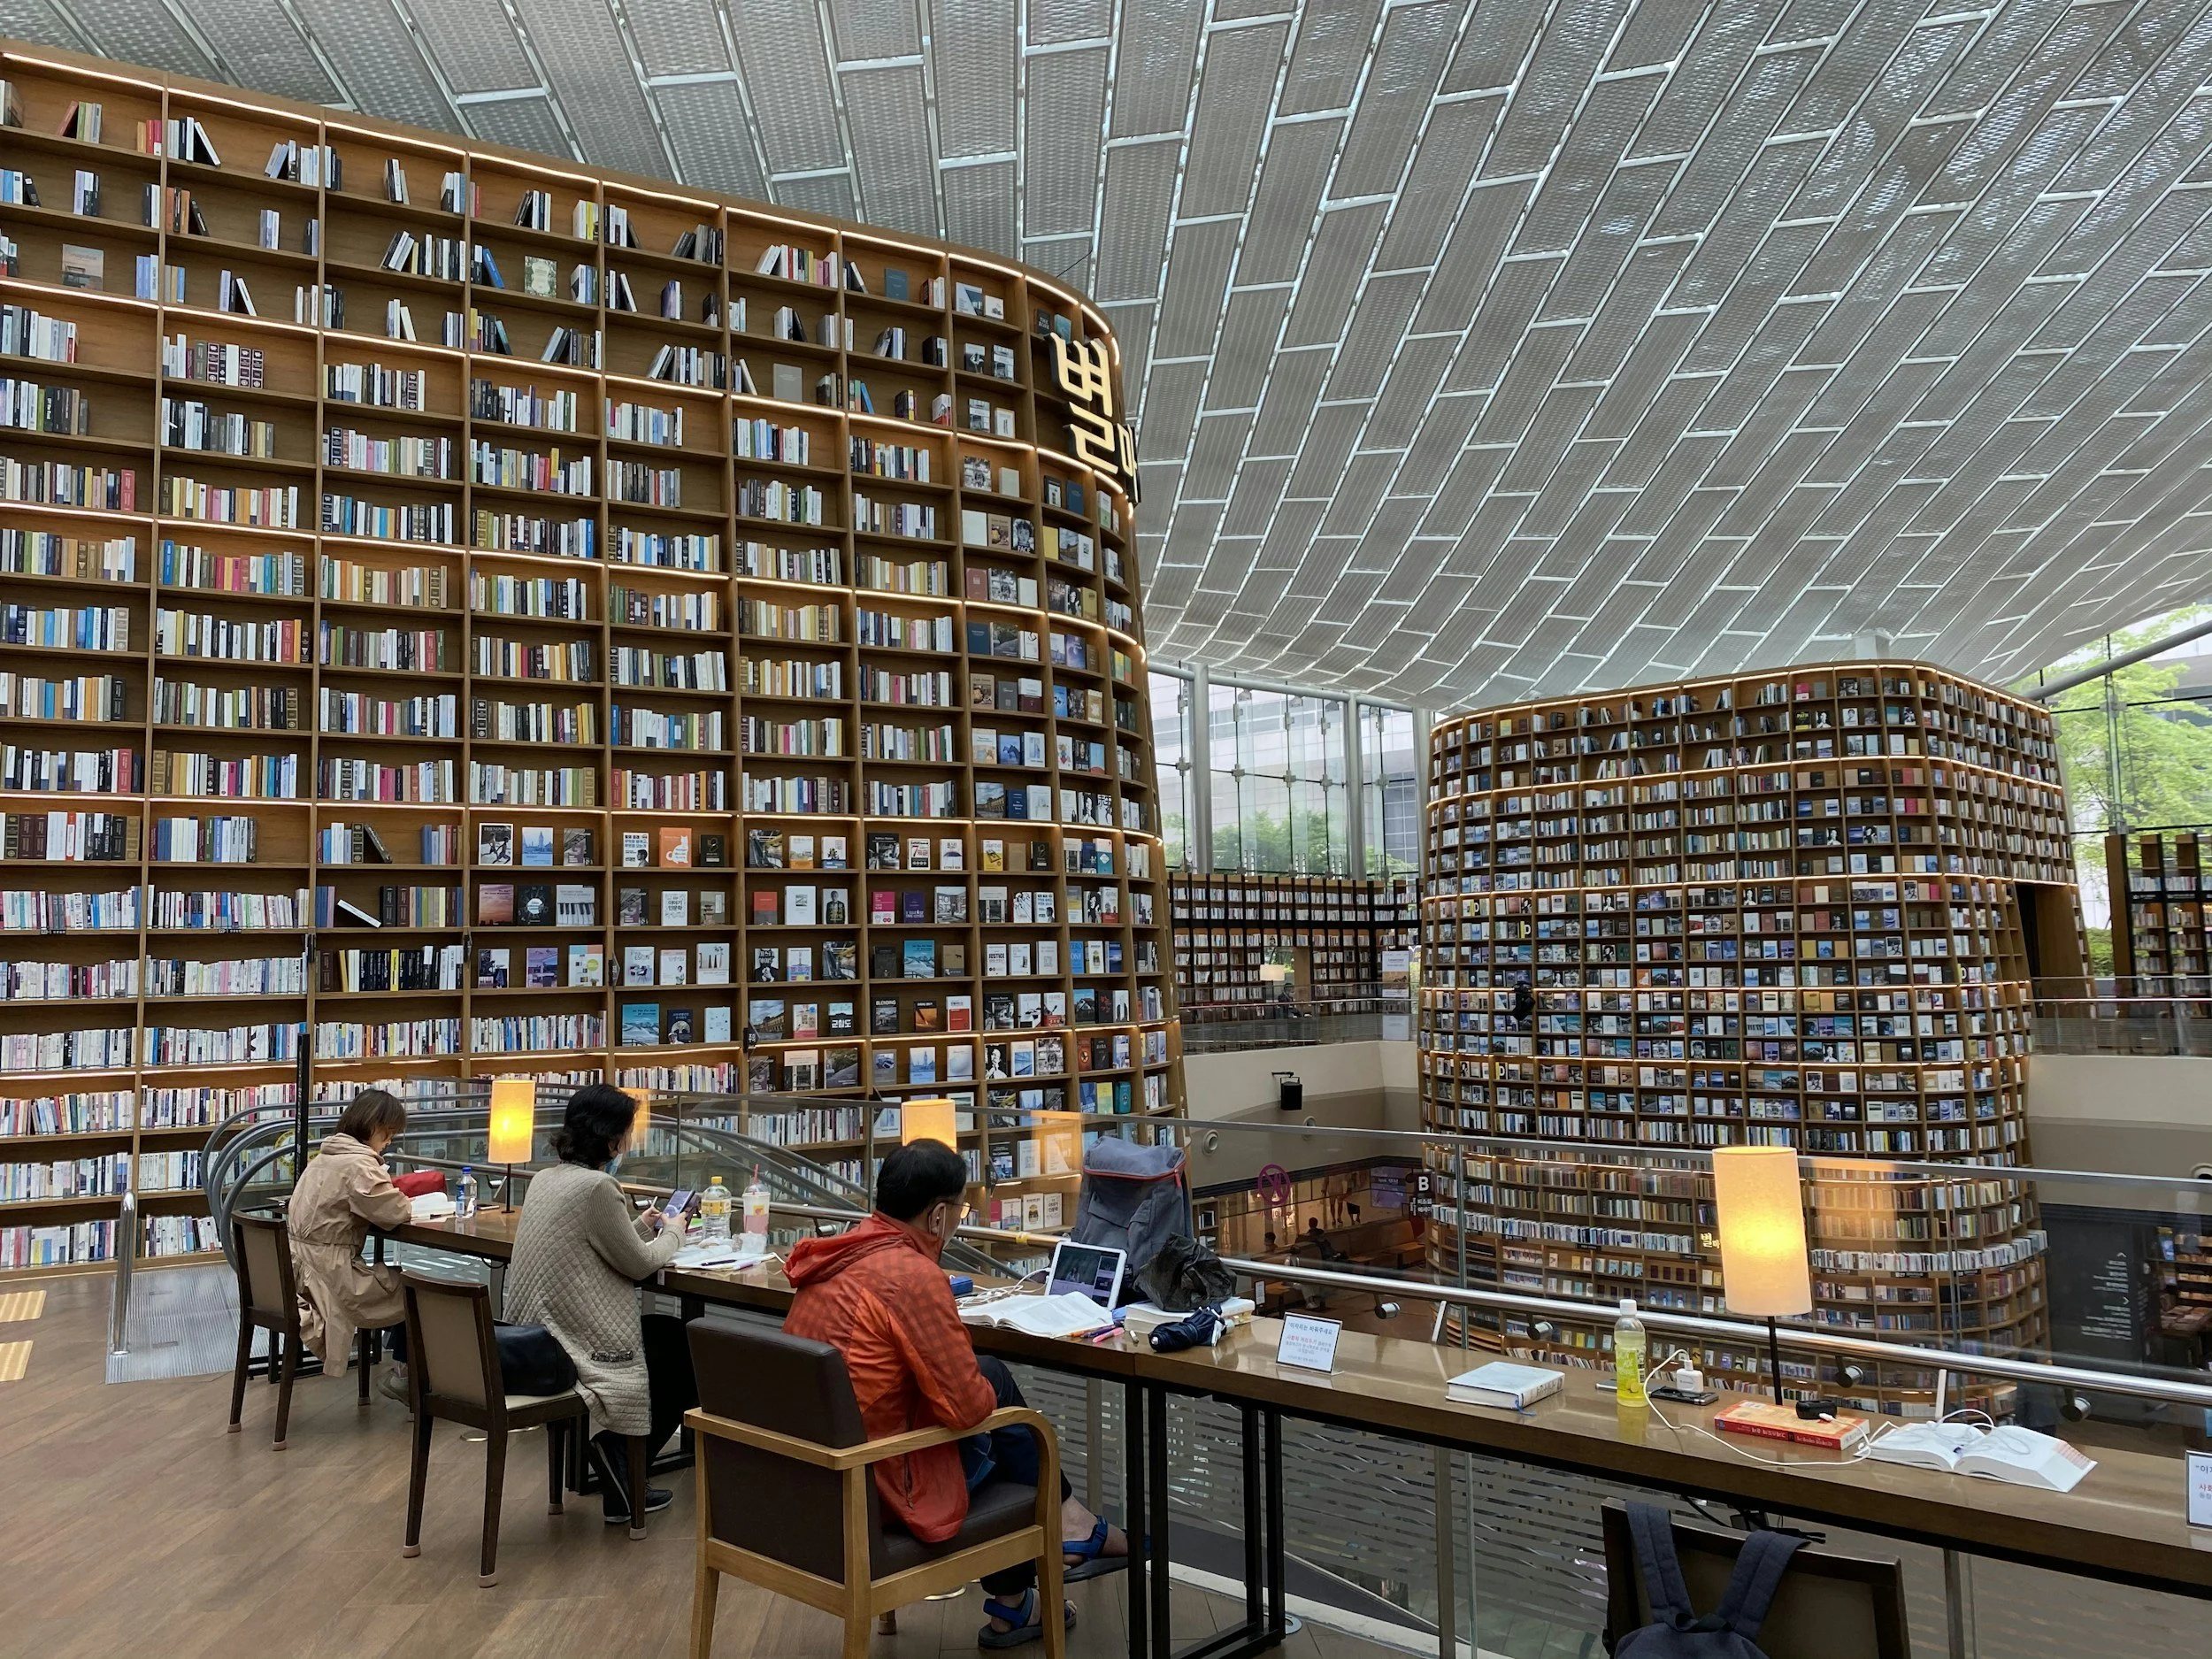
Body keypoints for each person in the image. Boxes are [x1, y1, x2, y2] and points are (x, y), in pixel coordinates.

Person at [785, 1141, 1127, 1648]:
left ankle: (1029, 1584)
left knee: (991, 1380)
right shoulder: (913, 1276)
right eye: (961, 1210)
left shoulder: (840, 1254)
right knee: (1011, 1426)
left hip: (806, 1477)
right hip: (875, 1484)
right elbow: (967, 1408)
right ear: (939, 1215)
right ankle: (1065, 1531)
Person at [506, 1083, 693, 1524]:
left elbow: (598, 1245)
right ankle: (621, 1459)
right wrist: (674, 1231)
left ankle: (623, 1471)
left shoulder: (545, 1179)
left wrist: (638, 1225)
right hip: (567, 1345)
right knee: (683, 1350)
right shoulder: (598, 1188)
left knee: (666, 1338)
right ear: (612, 1140)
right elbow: (642, 1264)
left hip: (531, 1335)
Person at [287, 1087, 413, 1402]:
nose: (390, 1141)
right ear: (374, 1126)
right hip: (331, 1279)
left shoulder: (322, 1158)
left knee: (397, 1283)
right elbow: (395, 1212)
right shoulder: (358, 1165)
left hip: (297, 1273)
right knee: (416, 1290)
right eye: (389, 1133)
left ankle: (402, 1371)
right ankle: (407, 1376)